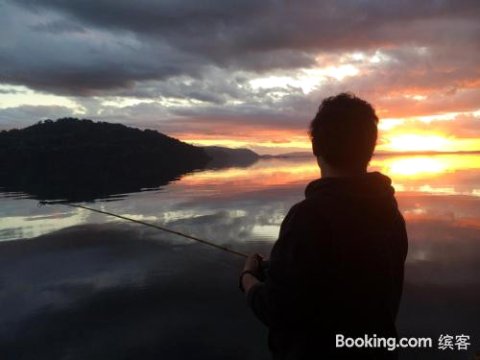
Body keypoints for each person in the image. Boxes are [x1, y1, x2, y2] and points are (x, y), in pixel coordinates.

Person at [239, 93, 408, 359]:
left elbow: (277, 309)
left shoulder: (309, 217)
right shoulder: (389, 211)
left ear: (316, 148)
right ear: (369, 148)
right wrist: (282, 266)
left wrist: (248, 278)